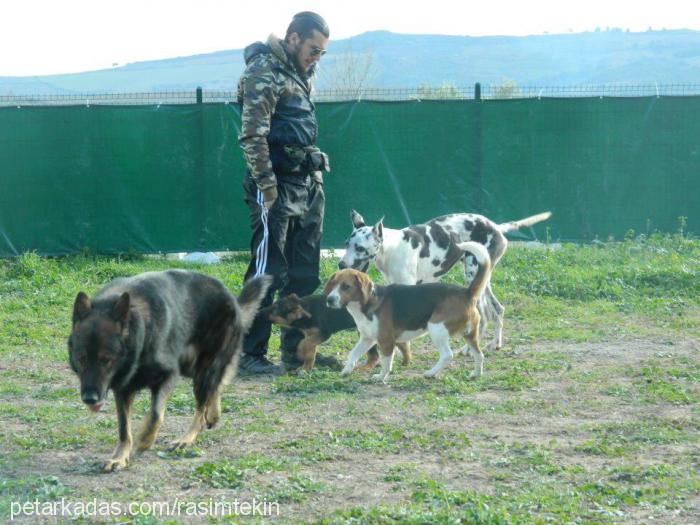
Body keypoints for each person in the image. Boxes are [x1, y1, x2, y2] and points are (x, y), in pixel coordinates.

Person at [236, 11, 336, 374]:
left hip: (307, 186)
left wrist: (315, 183)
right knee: (269, 271)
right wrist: (267, 187)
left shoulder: (300, 74)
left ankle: (296, 351)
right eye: (313, 49)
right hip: (275, 186)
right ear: (293, 39)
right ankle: (247, 353)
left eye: (322, 52)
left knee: (305, 273)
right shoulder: (264, 71)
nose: (316, 58)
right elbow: (252, 136)